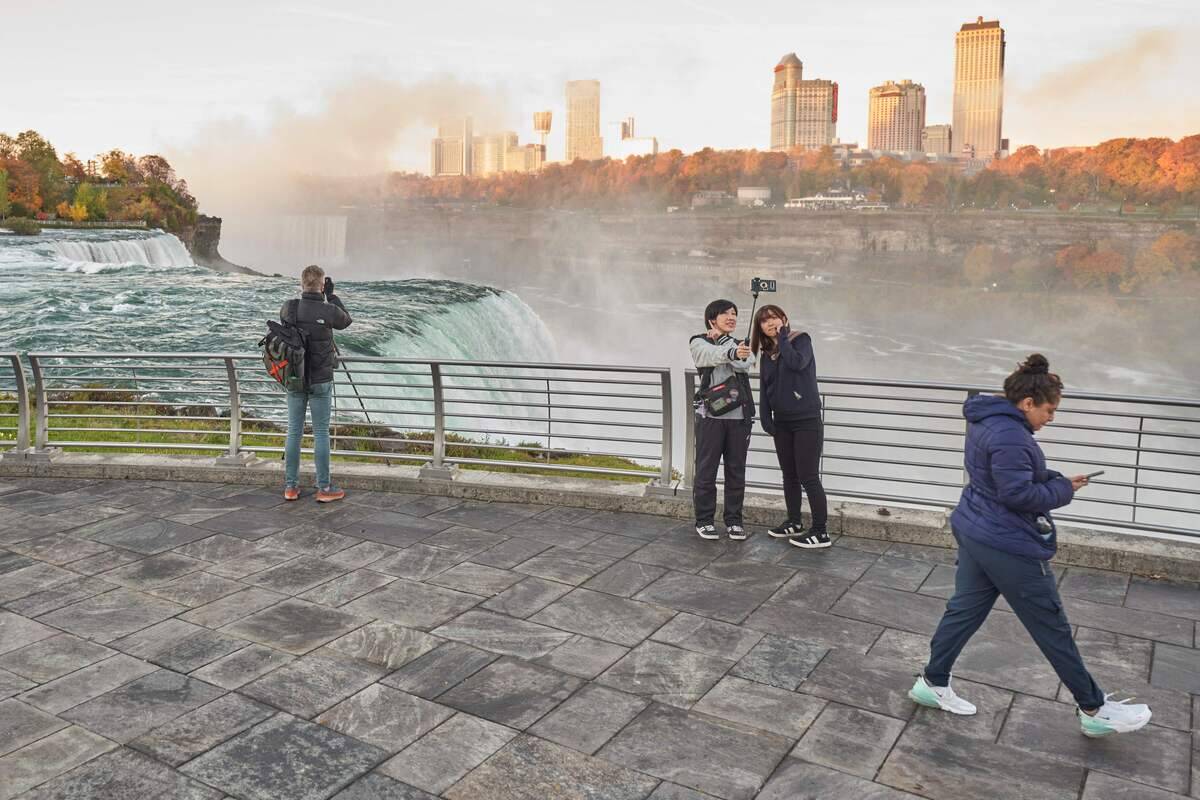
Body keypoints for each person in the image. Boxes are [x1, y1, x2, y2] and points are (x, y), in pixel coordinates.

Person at [910, 354, 1152, 737]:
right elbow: (1017, 494)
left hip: (976, 526)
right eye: (1049, 410)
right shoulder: (1010, 435)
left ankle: (932, 682)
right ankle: (1093, 708)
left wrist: (1056, 480)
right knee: (1050, 625)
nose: (1051, 418)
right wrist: (1060, 489)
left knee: (964, 611)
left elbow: (1002, 477)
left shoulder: (987, 418)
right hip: (1007, 543)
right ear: (1027, 404)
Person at [752, 305, 831, 548]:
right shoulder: (767, 353)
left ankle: (820, 532)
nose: (769, 323)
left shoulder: (800, 340)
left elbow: (798, 364)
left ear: (784, 319)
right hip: (782, 422)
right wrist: (766, 417)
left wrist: (783, 337)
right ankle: (794, 521)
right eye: (764, 321)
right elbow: (765, 388)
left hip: (806, 419)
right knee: (789, 475)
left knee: (808, 476)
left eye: (773, 318)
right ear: (760, 328)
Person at [282, 265, 352, 503]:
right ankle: (324, 488)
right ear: (322, 285)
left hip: (295, 378)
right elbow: (346, 321)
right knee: (321, 432)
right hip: (321, 379)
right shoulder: (328, 309)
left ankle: (290, 487)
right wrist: (331, 296)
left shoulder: (289, 308)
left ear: (302, 284)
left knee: (294, 431)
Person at [690, 299, 755, 540]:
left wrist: (729, 345)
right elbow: (705, 357)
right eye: (725, 313)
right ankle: (704, 520)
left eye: (734, 314)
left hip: (740, 417)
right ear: (711, 319)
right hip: (710, 416)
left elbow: (746, 363)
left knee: (736, 470)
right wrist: (729, 350)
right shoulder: (698, 341)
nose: (731, 317)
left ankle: (734, 521)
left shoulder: (741, 344)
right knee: (706, 469)